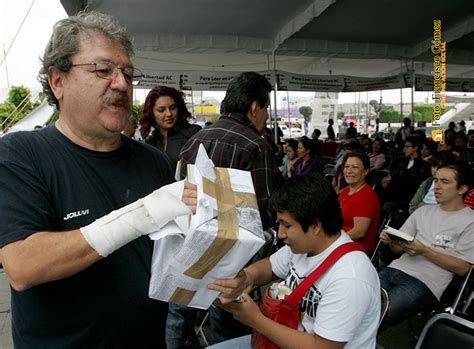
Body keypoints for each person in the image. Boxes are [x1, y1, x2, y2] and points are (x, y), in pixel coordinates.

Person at [0, 11, 197, 348]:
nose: (121, 83)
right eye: (103, 70)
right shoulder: (20, 154)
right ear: (57, 81)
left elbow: (170, 258)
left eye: (127, 73)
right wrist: (141, 215)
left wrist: (219, 263)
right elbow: (23, 265)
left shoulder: (152, 160)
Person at [208, 174, 381, 348]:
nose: (281, 234)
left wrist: (255, 320)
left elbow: (322, 347)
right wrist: (246, 277)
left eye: (287, 225)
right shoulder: (304, 247)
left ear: (316, 226)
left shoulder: (350, 278)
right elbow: (269, 266)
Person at [174, 72, 281, 347]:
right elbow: (265, 209)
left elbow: (178, 191)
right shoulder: (257, 145)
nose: (266, 116)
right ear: (254, 106)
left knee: (179, 315)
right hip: (233, 253)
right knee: (226, 321)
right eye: (266, 108)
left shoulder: (194, 139)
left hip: (189, 245)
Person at [378, 162, 474, 330]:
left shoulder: (469, 221)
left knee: (376, 315)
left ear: (462, 189)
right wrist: (392, 241)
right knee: (357, 305)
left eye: (445, 182)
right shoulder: (423, 212)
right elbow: (397, 250)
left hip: (425, 282)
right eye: (436, 180)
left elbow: (463, 268)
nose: (437, 186)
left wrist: (425, 251)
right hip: (395, 269)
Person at [139, 86, 201, 172]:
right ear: (151, 113)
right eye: (161, 110)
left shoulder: (193, 133)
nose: (169, 114)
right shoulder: (150, 142)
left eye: (173, 108)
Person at [338, 152, 380, 254]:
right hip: (339, 241)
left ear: (365, 171)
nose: (349, 171)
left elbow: (359, 232)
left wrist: (331, 242)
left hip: (355, 249)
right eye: (346, 166)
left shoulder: (366, 196)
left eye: (355, 167)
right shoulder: (345, 191)